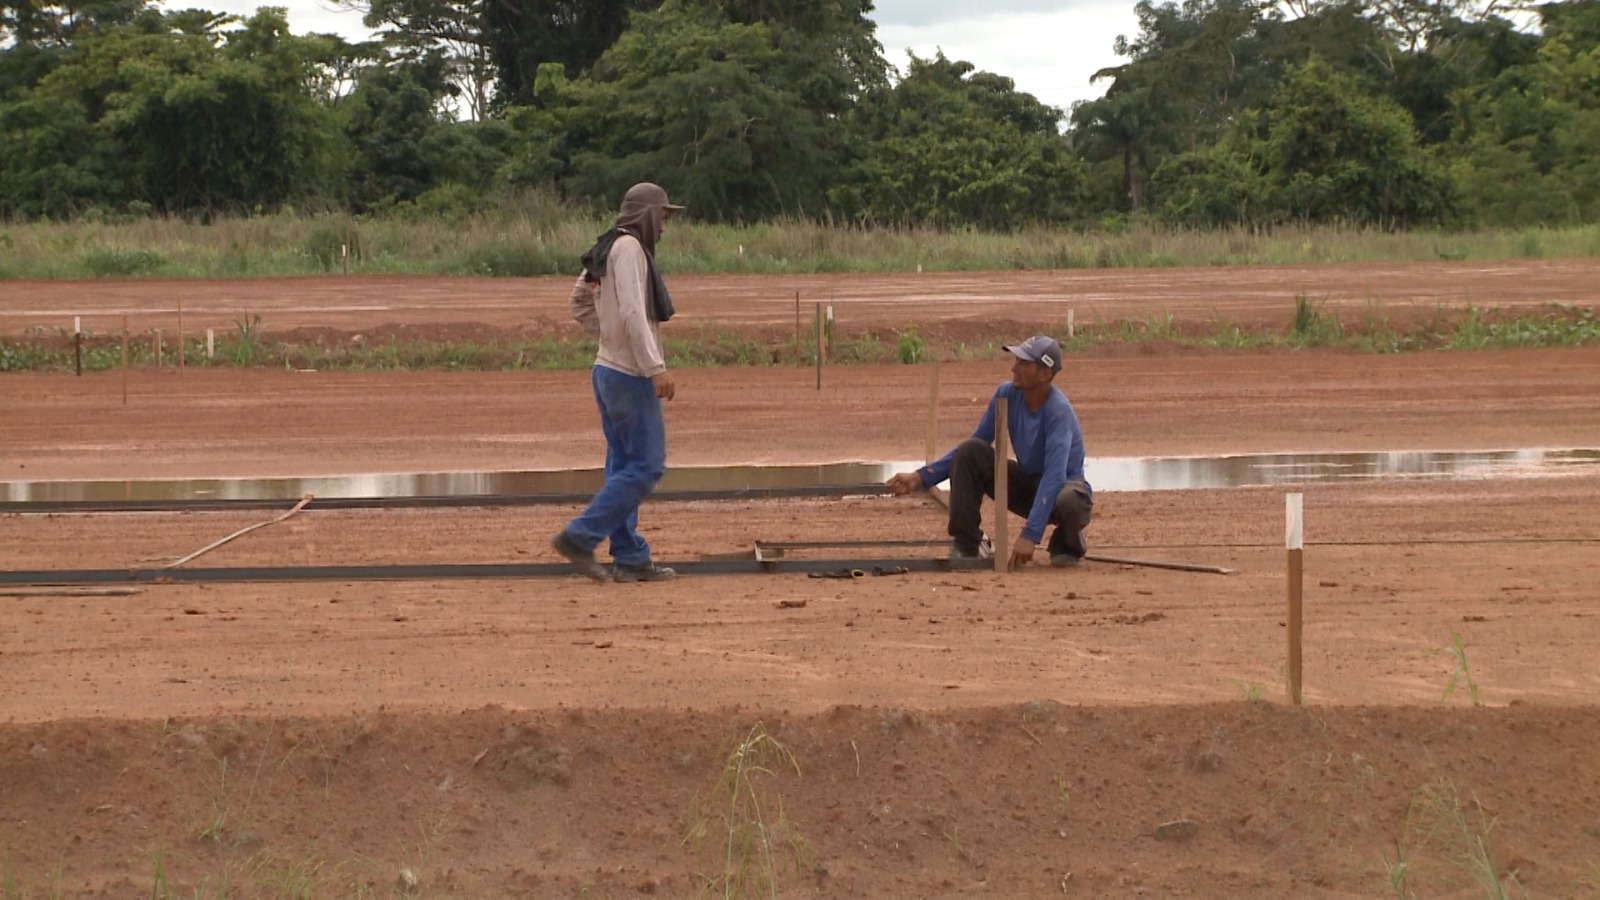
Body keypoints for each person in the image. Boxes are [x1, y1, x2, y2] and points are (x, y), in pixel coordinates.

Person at [552, 182, 685, 583]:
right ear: (646, 215)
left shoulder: (611, 247)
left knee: (623, 465)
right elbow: (630, 312)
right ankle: (579, 537)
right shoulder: (628, 250)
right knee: (645, 467)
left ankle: (629, 556)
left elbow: (579, 300)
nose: (664, 226)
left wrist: (608, 334)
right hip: (629, 376)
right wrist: (654, 366)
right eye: (662, 216)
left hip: (608, 371)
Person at [885, 335, 1093, 569]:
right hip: (1030, 486)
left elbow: (1054, 476)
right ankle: (966, 543)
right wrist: (921, 476)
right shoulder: (1006, 394)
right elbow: (977, 443)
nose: (1014, 368)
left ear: (1045, 374)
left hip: (1064, 490)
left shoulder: (1059, 412)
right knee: (969, 451)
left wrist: (1030, 535)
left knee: (1069, 501)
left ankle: (1067, 542)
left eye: (1024, 364)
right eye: (1016, 361)